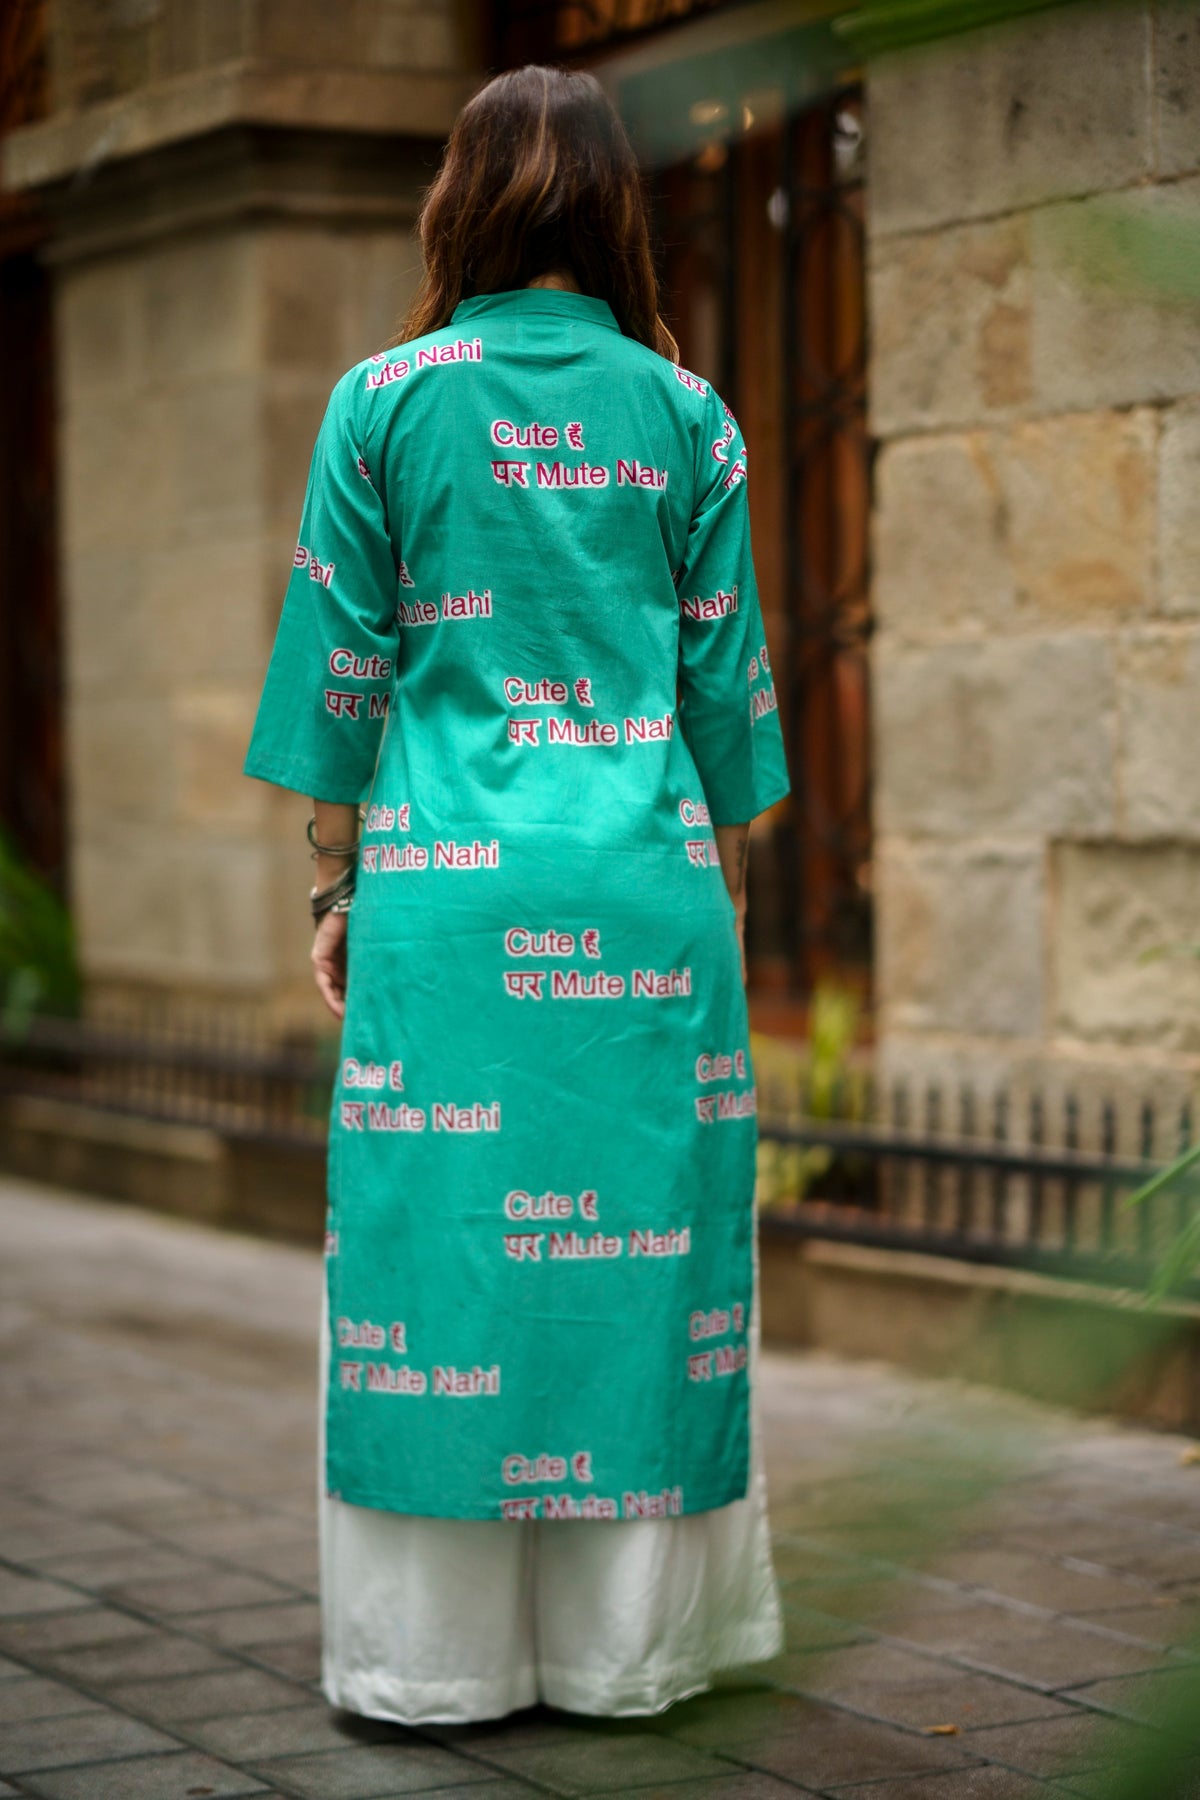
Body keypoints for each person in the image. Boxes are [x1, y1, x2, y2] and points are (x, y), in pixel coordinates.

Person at [243, 63, 791, 1725]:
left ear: (457, 208)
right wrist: (724, 912)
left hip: (447, 898)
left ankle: (436, 1665)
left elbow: (340, 685)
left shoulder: (378, 403)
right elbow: (727, 706)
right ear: (620, 209)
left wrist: (334, 890)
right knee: (647, 1263)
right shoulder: (689, 417)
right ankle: (634, 1656)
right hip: (644, 892)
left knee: (440, 1262)